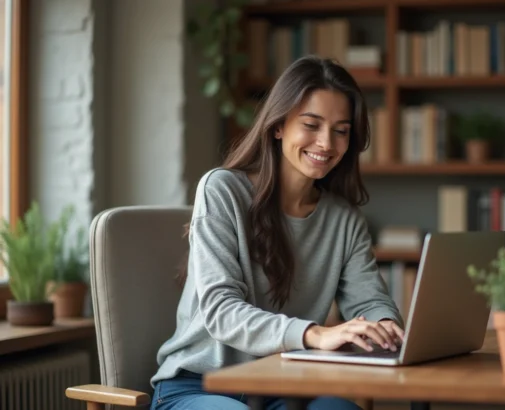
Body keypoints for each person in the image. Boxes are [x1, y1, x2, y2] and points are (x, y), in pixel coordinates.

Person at [149, 55, 404, 410]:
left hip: (282, 388)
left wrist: (385, 327)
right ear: (279, 125)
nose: (327, 143)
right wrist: (314, 334)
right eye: (311, 124)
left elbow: (369, 301)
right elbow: (221, 311)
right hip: (200, 387)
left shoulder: (345, 220)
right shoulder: (222, 190)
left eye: (341, 130)